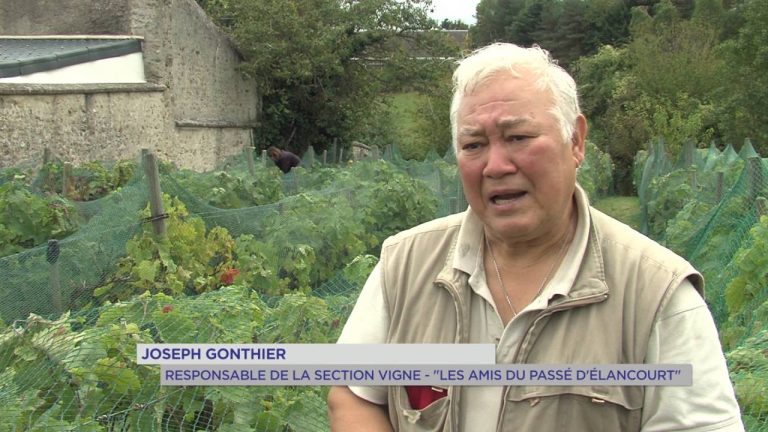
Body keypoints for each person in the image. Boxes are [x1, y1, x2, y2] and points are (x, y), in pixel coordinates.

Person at [327, 43, 744, 432]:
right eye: (473, 144)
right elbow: (352, 395)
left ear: (576, 140)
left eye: (518, 138)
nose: (495, 165)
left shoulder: (657, 294)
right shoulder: (404, 263)